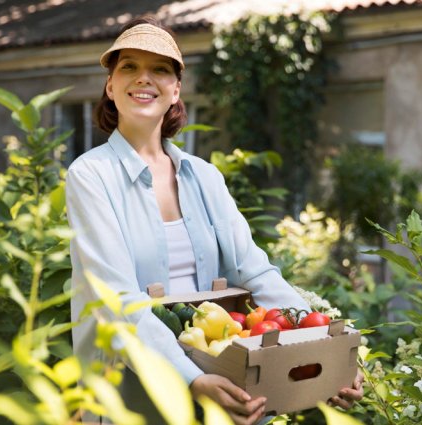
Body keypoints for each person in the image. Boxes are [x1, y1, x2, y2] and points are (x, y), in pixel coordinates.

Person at [66, 15, 363, 425]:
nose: (143, 78)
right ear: (110, 86)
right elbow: (118, 301)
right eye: (129, 67)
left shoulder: (203, 176)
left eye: (160, 69)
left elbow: (255, 272)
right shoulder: (91, 176)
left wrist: (322, 355)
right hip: (130, 392)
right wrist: (191, 378)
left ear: (175, 90)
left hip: (223, 382)